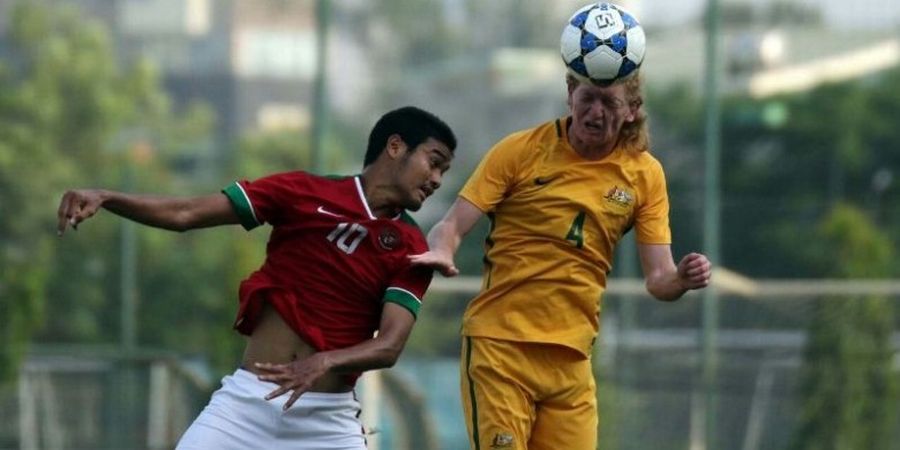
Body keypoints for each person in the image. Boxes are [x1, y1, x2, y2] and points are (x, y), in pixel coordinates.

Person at [57, 106, 457, 450]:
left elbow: (389, 347)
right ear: (395, 146)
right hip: (246, 405)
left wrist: (323, 362)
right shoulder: (302, 191)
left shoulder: (412, 248)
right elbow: (185, 214)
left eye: (444, 170)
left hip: (327, 423)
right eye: (434, 161)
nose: (437, 179)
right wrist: (110, 198)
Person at [409, 69, 711, 450]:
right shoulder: (520, 151)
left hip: (572, 363)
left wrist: (681, 279)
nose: (595, 112)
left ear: (632, 109)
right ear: (570, 93)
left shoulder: (645, 176)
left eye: (609, 102)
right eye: (588, 98)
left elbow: (659, 279)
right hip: (501, 349)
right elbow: (451, 225)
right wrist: (442, 249)